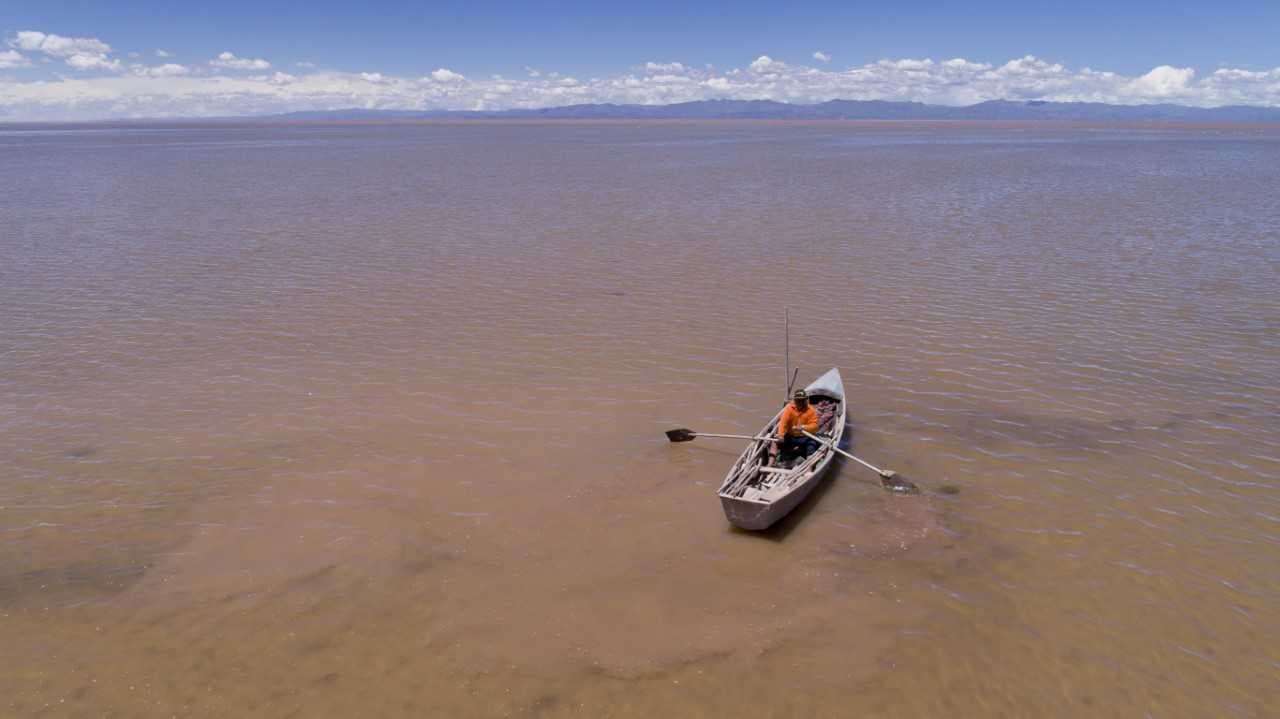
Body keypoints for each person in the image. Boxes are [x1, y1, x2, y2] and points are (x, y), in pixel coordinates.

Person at [776, 388, 821, 466]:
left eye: (802, 400)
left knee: (812, 444)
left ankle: (809, 465)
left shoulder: (811, 410)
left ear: (806, 400)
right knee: (780, 443)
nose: (800, 403)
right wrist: (781, 435)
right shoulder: (789, 408)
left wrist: (803, 427)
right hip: (791, 436)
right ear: (795, 401)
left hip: (805, 436)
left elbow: (815, 427)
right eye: (798, 400)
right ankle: (784, 459)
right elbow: (783, 423)